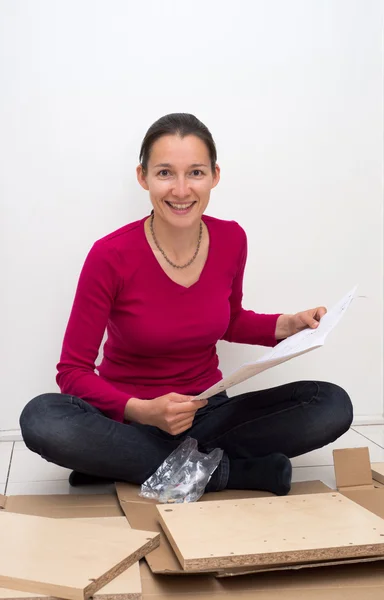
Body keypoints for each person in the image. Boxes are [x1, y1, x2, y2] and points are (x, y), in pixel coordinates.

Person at [20, 113, 353, 496]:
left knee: (330, 403)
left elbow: (228, 321)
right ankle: (228, 474)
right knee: (43, 419)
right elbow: (72, 371)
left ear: (214, 175)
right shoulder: (109, 255)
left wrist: (287, 324)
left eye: (195, 172)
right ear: (143, 177)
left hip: (206, 413)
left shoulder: (231, 239)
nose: (181, 190)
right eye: (165, 173)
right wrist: (142, 411)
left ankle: (129, 463)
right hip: (126, 417)